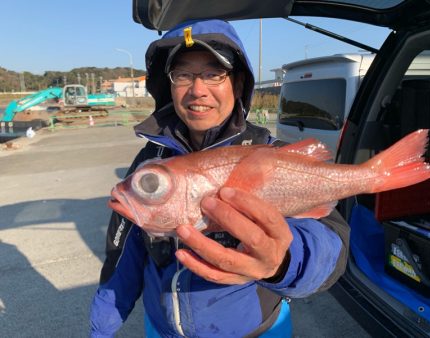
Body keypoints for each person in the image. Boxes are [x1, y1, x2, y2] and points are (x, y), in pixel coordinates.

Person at [90, 19, 349, 338]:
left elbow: (329, 240)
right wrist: (100, 328)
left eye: (214, 73)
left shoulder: (271, 155)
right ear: (168, 85)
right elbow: (122, 257)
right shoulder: (150, 163)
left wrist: (283, 261)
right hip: (159, 329)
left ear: (238, 84)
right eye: (183, 74)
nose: (198, 90)